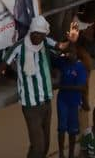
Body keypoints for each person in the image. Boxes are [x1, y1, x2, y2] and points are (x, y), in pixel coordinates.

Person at [6, 14, 61, 158]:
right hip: (31, 106)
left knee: (45, 146)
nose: (40, 38)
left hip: (47, 101)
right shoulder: (19, 47)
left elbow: (62, 47)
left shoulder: (45, 42)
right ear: (32, 32)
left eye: (42, 35)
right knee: (38, 147)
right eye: (37, 35)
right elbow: (1, 67)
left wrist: (73, 40)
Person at [55, 48, 89, 158]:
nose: (69, 55)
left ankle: (71, 154)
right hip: (62, 100)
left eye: (72, 53)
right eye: (67, 53)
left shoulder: (80, 67)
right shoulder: (63, 62)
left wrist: (60, 86)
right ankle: (61, 154)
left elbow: (80, 87)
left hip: (74, 101)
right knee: (61, 128)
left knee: (73, 131)